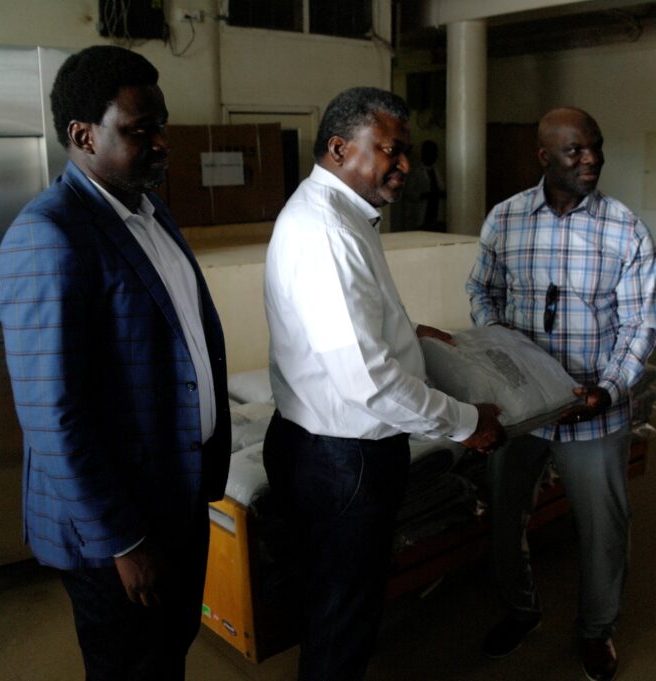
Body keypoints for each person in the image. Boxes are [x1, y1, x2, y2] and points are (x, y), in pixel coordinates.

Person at [0, 46, 230, 681]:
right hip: (119, 527)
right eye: (139, 129)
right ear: (83, 136)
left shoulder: (148, 211)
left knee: (168, 653)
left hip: (176, 494)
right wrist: (124, 542)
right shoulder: (49, 236)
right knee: (131, 668)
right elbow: (53, 415)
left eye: (162, 125)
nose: (161, 143)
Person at [263, 86, 504, 681]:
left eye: (404, 151)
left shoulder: (340, 213)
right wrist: (467, 423)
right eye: (389, 150)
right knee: (344, 612)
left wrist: (405, 330)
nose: (404, 164)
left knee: (333, 600)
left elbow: (349, 325)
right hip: (344, 460)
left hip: (321, 447)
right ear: (340, 148)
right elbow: (370, 383)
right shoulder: (327, 230)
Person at [466, 107, 656, 681]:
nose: (591, 158)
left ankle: (596, 630)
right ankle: (520, 610)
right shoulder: (506, 219)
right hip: (522, 409)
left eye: (595, 146)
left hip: (591, 409)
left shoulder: (624, 228)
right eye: (575, 150)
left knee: (603, 529)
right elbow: (482, 289)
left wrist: (609, 388)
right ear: (543, 156)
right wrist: (501, 346)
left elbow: (641, 323)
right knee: (505, 515)